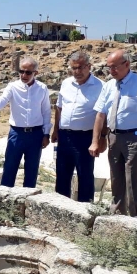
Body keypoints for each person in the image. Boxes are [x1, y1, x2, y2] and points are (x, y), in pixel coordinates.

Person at [90, 50, 137, 217]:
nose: (111, 71)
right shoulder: (109, 86)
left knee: (136, 182)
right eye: (108, 67)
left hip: (136, 138)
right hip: (114, 137)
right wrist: (96, 140)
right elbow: (100, 114)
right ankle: (116, 217)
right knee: (116, 180)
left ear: (127, 64)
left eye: (115, 67)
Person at [0, 56, 51, 188]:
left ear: (35, 73)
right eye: (21, 71)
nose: (24, 75)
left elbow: (46, 112)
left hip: (36, 134)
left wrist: (46, 134)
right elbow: (3, 99)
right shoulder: (13, 86)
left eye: (28, 72)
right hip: (16, 134)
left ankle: (27, 201)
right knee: (10, 167)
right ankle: (5, 203)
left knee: (32, 170)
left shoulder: (42, 88)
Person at [51, 51, 104, 202]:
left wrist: (100, 139)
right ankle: (60, 207)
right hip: (64, 136)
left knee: (85, 175)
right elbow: (59, 107)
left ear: (89, 66)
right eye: (73, 68)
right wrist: (55, 130)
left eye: (80, 68)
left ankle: (85, 212)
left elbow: (103, 114)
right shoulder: (66, 83)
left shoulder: (100, 86)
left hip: (85, 137)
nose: (77, 72)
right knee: (62, 174)